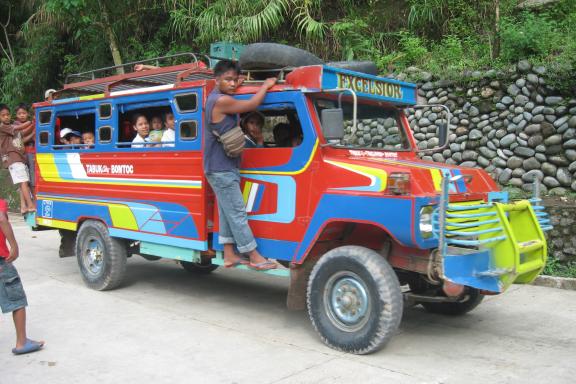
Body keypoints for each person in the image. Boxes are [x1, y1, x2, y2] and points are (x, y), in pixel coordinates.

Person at [204, 60, 277, 270]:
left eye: (235, 80)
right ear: (216, 80)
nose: (233, 84)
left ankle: (229, 255)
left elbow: (233, 94)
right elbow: (252, 105)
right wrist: (265, 86)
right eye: (227, 79)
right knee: (237, 212)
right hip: (221, 168)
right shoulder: (220, 101)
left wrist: (238, 83)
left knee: (228, 212)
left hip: (222, 166)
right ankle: (253, 256)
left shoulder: (218, 98)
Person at [0, 198, 45, 355]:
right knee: (17, 299)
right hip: (2, 262)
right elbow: (1, 218)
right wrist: (14, 245)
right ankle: (22, 342)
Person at [0, 104, 35, 214]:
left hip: (18, 157)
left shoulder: (9, 127)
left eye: (7, 114)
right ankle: (30, 205)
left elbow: (22, 134)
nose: (6, 117)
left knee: (22, 182)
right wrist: (30, 122)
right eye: (3, 115)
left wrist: (33, 129)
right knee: (24, 182)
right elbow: (19, 128)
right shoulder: (3, 127)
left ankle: (23, 206)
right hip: (13, 158)